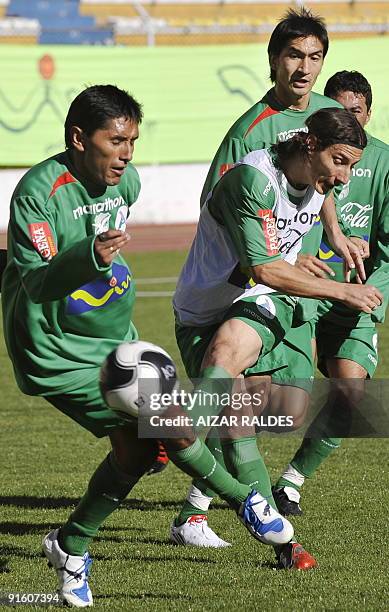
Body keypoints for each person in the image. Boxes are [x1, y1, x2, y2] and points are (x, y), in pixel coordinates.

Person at [2, 85, 305, 607]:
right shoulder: (39, 193)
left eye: (133, 141)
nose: (126, 154)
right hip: (57, 350)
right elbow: (37, 283)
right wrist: (90, 256)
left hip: (115, 341)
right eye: (115, 141)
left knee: (141, 449)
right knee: (169, 422)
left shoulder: (128, 184)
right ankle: (247, 502)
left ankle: (71, 546)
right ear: (79, 139)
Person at [171, 7, 366, 547]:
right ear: (274, 61)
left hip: (291, 283)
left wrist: (332, 236)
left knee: (282, 407)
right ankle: (208, 506)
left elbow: (324, 186)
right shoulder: (248, 137)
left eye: (315, 57)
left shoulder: (328, 116)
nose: (304, 68)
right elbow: (220, 211)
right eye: (294, 56)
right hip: (255, 282)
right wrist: (278, 256)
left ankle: (200, 479)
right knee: (234, 395)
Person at [272, 71, 389, 515]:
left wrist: (369, 296)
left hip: (356, 298)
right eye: (337, 113)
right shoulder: (301, 157)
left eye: (355, 114)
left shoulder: (384, 164)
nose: (348, 122)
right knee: (281, 398)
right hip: (304, 292)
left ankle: (292, 483)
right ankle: (199, 500)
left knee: (351, 393)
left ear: (368, 115)